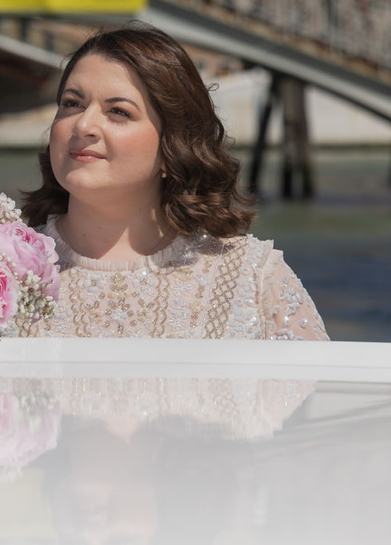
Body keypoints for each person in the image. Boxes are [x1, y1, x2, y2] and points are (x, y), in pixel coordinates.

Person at [21, 23, 328, 340]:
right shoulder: (2, 270)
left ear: (173, 145)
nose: (83, 125)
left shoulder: (253, 281)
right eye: (72, 103)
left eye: (118, 112)